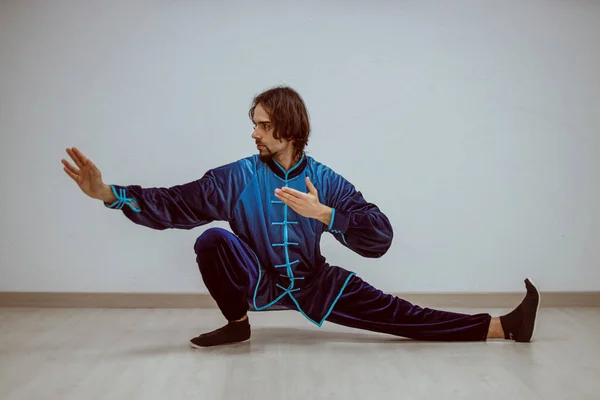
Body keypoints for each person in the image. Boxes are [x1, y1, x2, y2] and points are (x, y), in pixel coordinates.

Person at [61, 86, 540, 347]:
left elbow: (380, 237)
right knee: (211, 240)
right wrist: (109, 193)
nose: (255, 134)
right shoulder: (237, 176)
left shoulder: (326, 180)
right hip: (258, 280)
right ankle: (238, 323)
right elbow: (178, 203)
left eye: (264, 126)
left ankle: (503, 327)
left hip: (316, 283)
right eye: (254, 125)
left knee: (402, 316)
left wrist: (328, 214)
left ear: (289, 130)